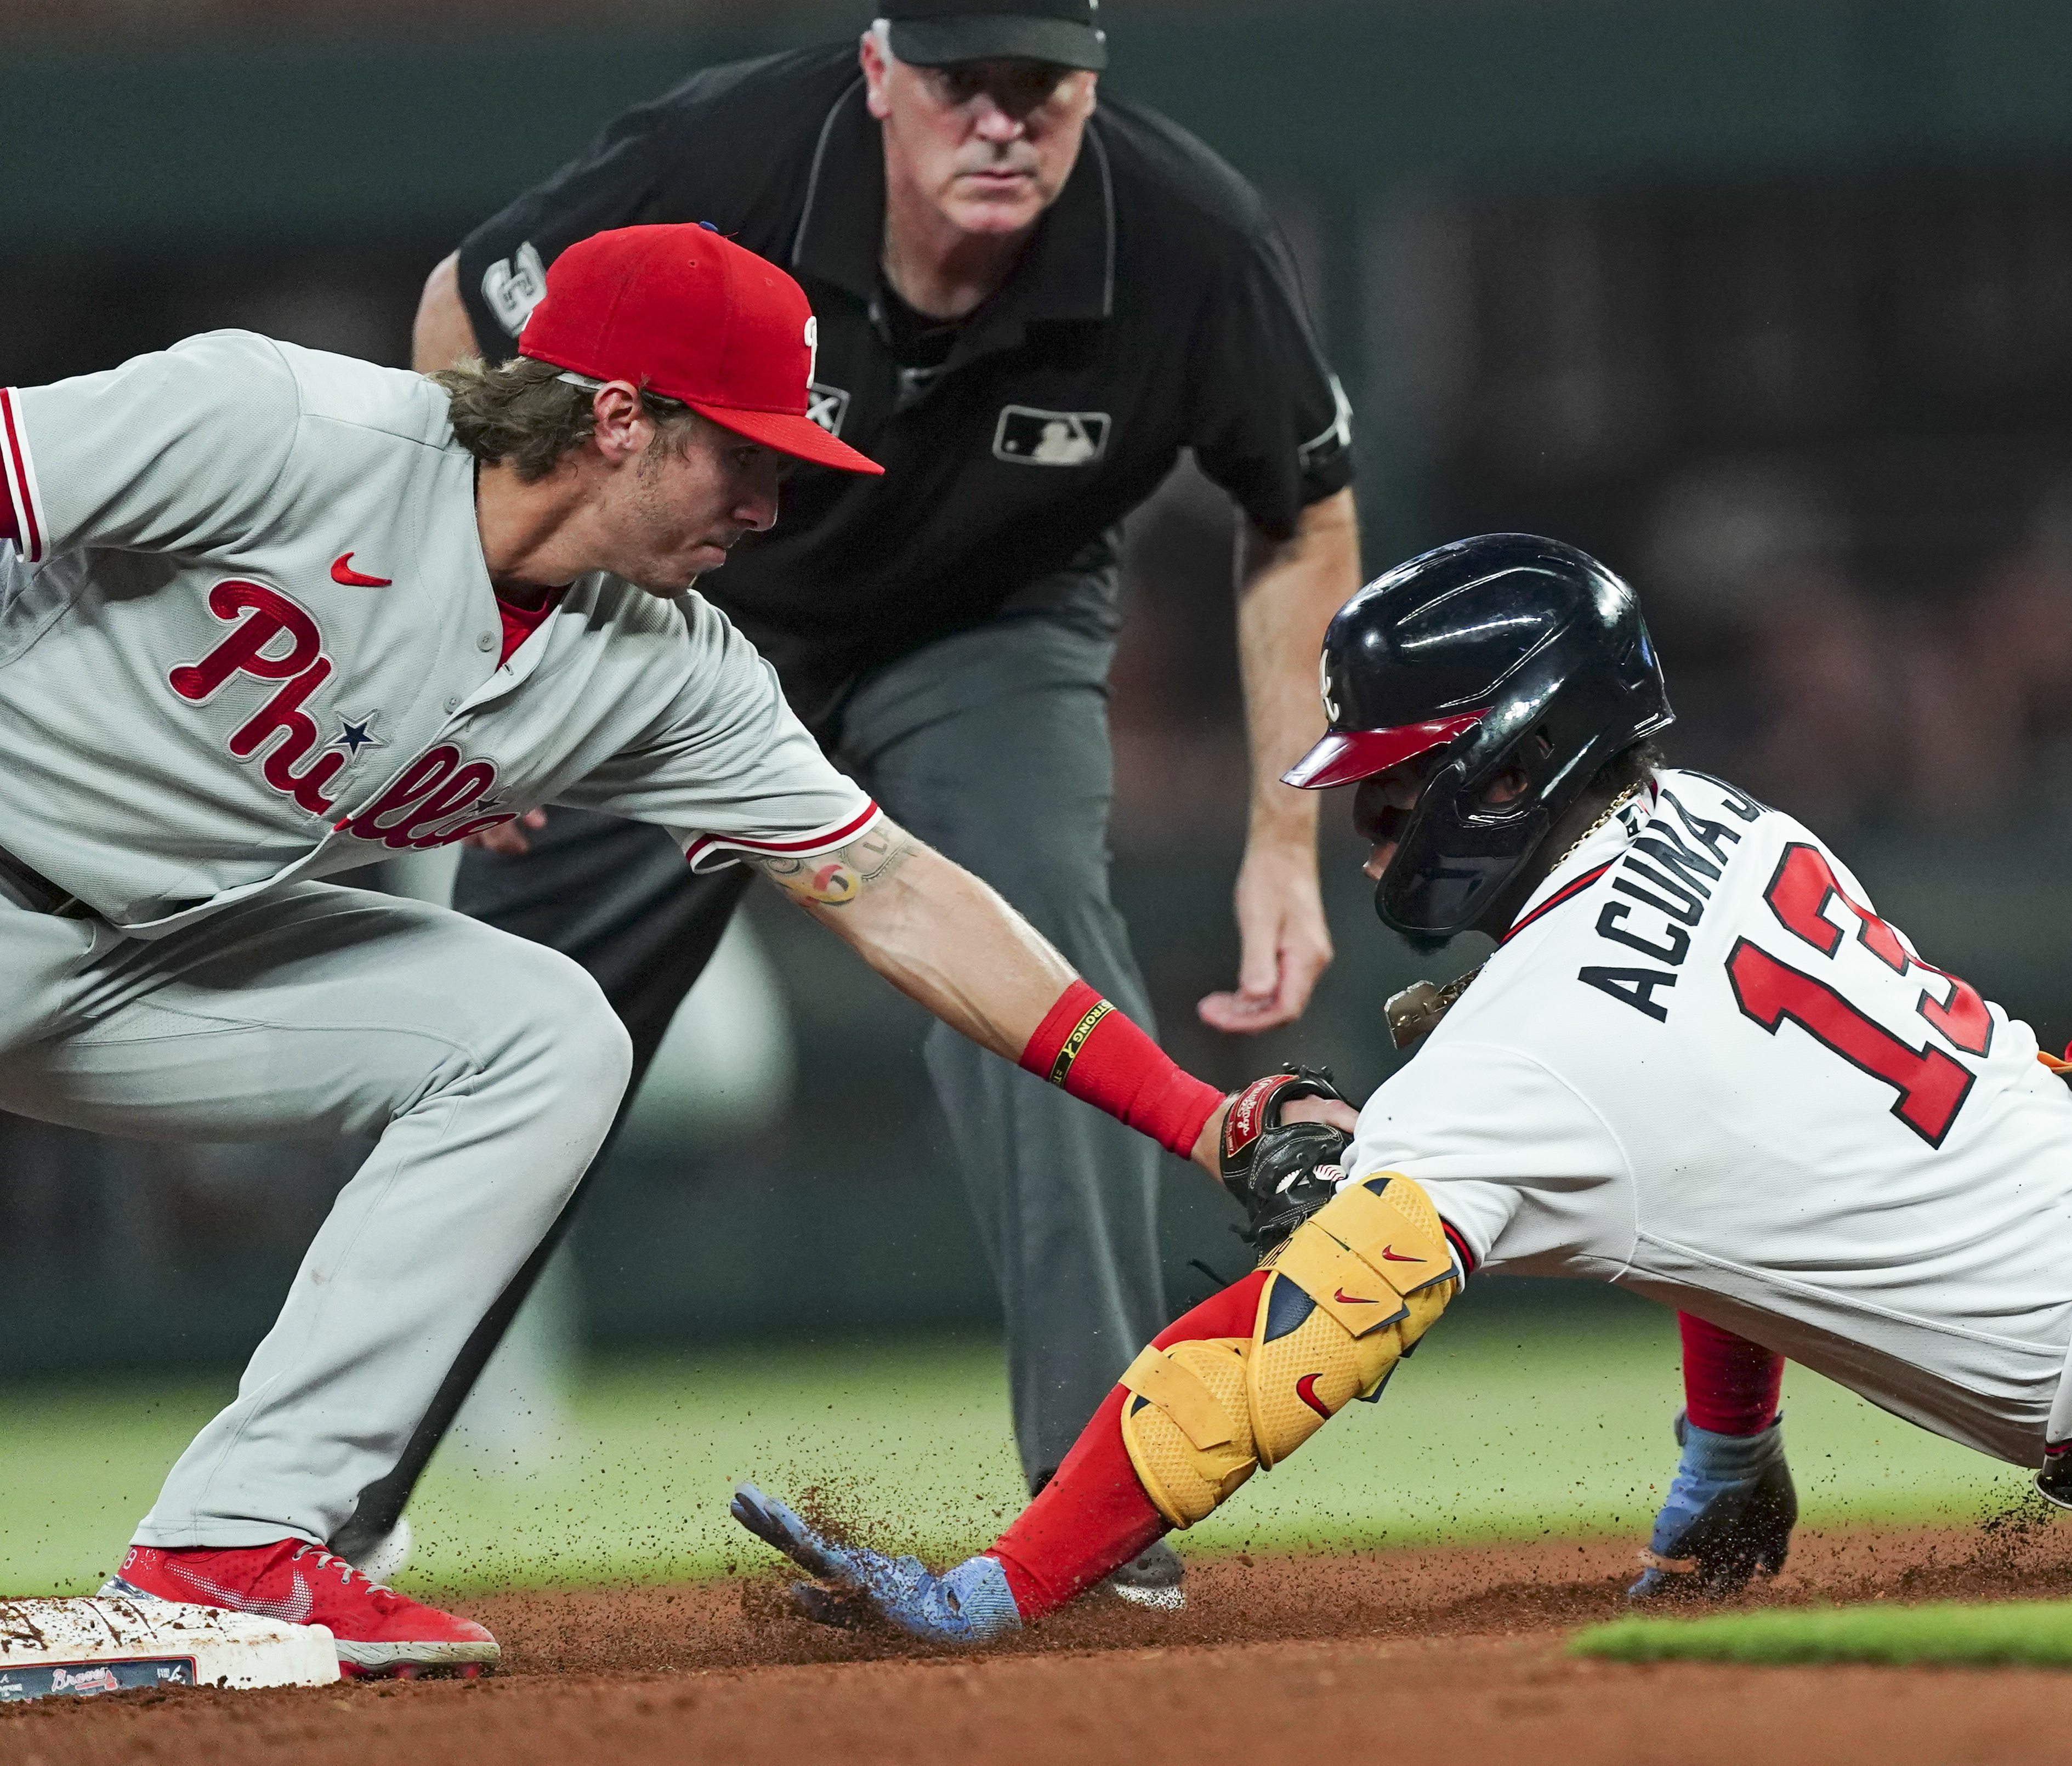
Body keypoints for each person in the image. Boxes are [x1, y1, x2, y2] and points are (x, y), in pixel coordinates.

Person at [730, 532, 2072, 1644]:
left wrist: (1009, 1581)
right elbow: (1725, 1174)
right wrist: (1728, 1451)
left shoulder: (1525, 1056)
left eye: (1395, 778)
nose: (1378, 820)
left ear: (1500, 759)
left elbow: (1268, 1357)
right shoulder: (1718, 815)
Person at [0, 223, 1316, 1676]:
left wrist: (1204, 1119)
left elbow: (901, 895)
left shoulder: (668, 670)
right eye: (740, 456)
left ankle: (234, 1543)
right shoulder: (287, 427)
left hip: (145, 962)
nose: (768, 503)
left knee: (544, 1033)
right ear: (618, 418)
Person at [399, 0, 1361, 1604]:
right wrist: (465, 654)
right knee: (502, 1031)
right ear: (877, 70)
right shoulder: (732, 155)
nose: (1001, 121)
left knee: (1041, 936)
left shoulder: (1185, 238)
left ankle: (1097, 1508)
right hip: (684, 610)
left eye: (1040, 87)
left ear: (1089, 89)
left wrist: (1283, 841)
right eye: (961, 82)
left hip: (985, 620)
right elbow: (462, 314)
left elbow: (1302, 513)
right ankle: (317, 1510)